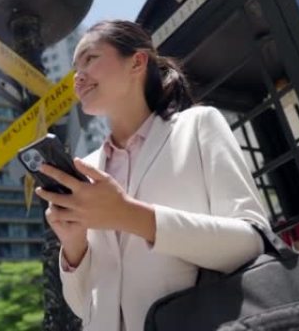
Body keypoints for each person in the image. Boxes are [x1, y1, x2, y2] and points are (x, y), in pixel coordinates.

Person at [34, 20, 269, 331]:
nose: (78, 76)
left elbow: (252, 242)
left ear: (137, 61)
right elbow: (83, 308)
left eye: (90, 59)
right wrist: (74, 247)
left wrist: (129, 215)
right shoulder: (87, 168)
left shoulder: (197, 126)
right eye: (75, 67)